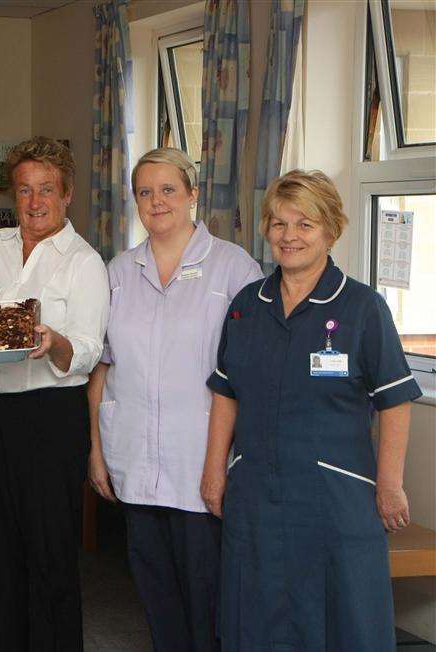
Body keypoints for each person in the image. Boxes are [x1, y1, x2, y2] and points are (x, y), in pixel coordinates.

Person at [201, 170, 421, 651]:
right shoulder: (246, 307)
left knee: (341, 621)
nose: (289, 236)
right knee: (256, 616)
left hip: (335, 500)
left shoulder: (364, 308)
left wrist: (390, 486)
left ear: (331, 230)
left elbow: (395, 402)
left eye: (304, 224)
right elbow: (226, 393)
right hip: (257, 494)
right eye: (278, 224)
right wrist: (214, 471)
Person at [87, 147, 262, 651]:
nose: (157, 201)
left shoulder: (233, 269)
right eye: (145, 192)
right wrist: (97, 450)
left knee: (209, 599)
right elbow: (101, 366)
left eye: (168, 190)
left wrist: (230, 461)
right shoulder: (118, 271)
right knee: (155, 595)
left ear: (192, 194)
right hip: (135, 461)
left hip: (202, 463)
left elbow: (248, 375)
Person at [0, 137, 109, 651]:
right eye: (24, 190)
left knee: (50, 558)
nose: (34, 201)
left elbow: (88, 352)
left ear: (67, 195)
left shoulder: (85, 262)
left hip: (50, 420)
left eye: (46, 189)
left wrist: (54, 341)